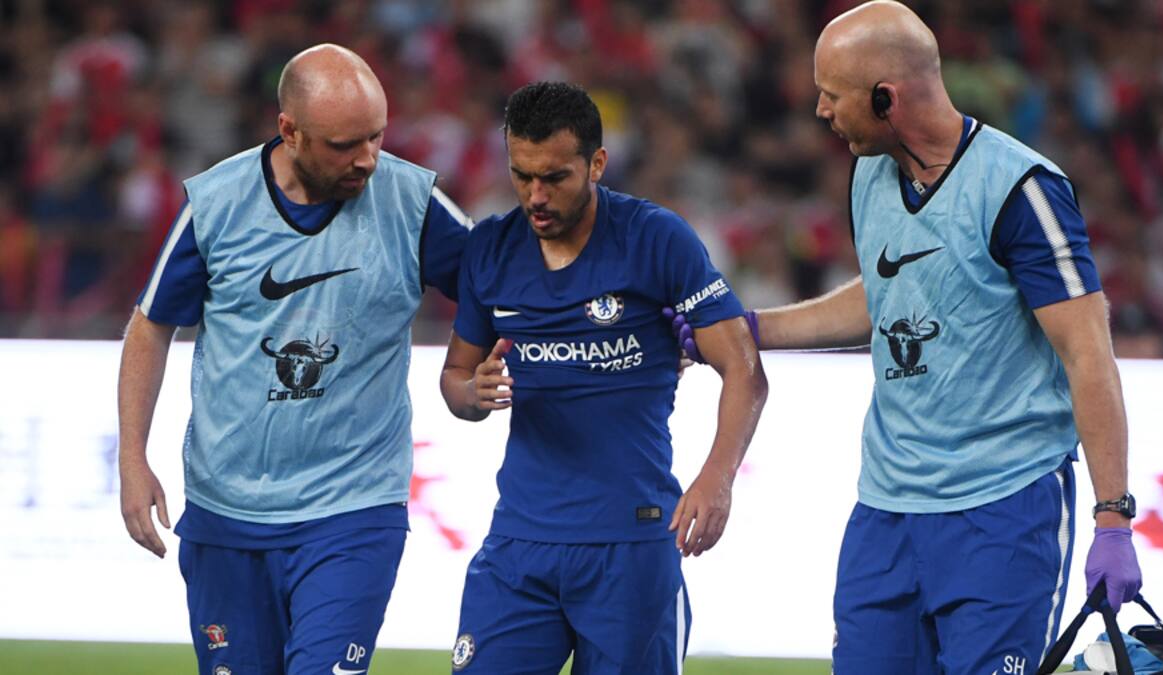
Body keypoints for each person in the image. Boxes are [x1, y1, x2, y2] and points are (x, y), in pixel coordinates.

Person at [671, 2, 1142, 673]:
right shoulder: (870, 172)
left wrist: (1113, 518)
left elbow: (1087, 353)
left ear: (885, 98)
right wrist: (749, 330)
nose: (821, 111)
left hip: (1004, 509)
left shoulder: (1020, 190)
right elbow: (887, 293)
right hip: (886, 510)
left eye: (833, 95)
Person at [117, 44, 471, 674]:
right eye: (344, 145)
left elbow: (500, 289)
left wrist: (468, 367)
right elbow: (150, 325)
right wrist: (132, 457)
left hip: (353, 509)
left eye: (376, 136)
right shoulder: (217, 203)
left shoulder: (412, 202)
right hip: (226, 514)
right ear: (289, 130)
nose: (367, 159)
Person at [439, 82, 768, 674]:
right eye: (521, 176)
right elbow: (456, 376)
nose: (535, 196)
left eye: (555, 178)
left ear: (596, 163)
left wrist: (716, 480)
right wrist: (471, 394)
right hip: (520, 541)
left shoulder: (656, 239)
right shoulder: (491, 247)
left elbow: (744, 370)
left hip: (632, 542)